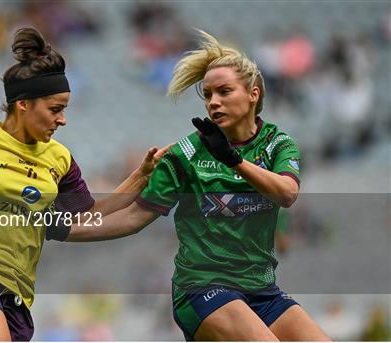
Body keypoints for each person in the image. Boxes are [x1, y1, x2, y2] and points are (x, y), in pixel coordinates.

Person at [47, 30, 330, 341]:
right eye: (207, 95)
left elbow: (287, 194)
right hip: (203, 289)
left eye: (224, 91)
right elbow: (132, 218)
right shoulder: (185, 154)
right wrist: (60, 230)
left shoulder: (278, 143)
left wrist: (233, 160)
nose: (214, 102)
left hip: (261, 291)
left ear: (254, 94)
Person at [0, 27, 167, 341]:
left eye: (64, 109)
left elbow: (89, 213)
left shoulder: (60, 159)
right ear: (23, 104)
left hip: (16, 293)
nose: (63, 119)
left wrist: (140, 176)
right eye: (55, 109)